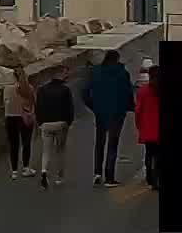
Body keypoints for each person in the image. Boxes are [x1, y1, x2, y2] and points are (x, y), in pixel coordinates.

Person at [82, 49, 136, 186]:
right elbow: (128, 93)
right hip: (117, 113)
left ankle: (97, 173)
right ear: (117, 59)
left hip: (100, 112)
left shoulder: (95, 72)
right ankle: (109, 177)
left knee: (99, 143)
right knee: (113, 144)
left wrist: (94, 107)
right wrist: (130, 107)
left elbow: (85, 92)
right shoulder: (122, 73)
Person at [35, 64, 76, 189]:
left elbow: (38, 108)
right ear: (59, 75)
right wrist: (68, 122)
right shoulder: (65, 90)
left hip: (46, 124)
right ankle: (59, 177)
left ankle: (43, 171)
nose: (67, 75)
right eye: (65, 73)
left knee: (46, 150)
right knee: (60, 150)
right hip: (61, 123)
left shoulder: (42, 90)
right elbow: (70, 109)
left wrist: (40, 123)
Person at [2, 67, 37, 178]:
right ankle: (26, 168)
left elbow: (5, 103)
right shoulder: (29, 88)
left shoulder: (7, 89)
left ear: (13, 77)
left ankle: (14, 171)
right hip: (24, 117)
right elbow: (33, 102)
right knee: (26, 143)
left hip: (10, 118)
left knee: (14, 145)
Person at [136, 65, 160, 190]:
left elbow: (138, 111)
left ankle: (150, 178)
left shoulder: (143, 91)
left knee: (149, 154)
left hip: (148, 129)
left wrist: (139, 126)